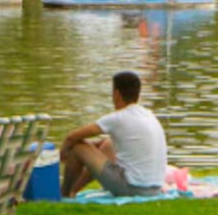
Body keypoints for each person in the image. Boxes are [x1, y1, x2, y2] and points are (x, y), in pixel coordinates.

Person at [60, 70, 166, 199]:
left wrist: (64, 151)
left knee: (78, 147)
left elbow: (72, 137)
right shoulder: (148, 115)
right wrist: (93, 148)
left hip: (132, 188)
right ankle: (74, 191)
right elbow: (107, 144)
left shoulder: (118, 118)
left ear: (116, 94)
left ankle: (63, 195)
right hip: (154, 189)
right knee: (108, 143)